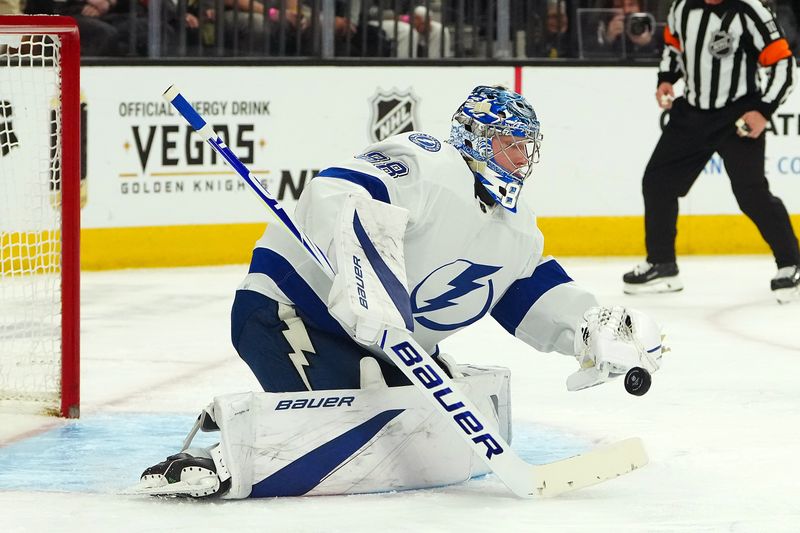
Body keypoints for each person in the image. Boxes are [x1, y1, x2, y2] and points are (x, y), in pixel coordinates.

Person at [135, 86, 665, 499]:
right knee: (349, 429)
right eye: (511, 146)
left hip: (382, 343)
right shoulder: (427, 163)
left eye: (527, 150)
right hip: (291, 311)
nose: (522, 162)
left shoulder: (517, 228)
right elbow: (336, 194)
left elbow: (529, 291)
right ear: (477, 139)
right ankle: (217, 461)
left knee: (413, 429)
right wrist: (369, 283)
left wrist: (593, 330)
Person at [622, 0, 800, 303]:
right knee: (657, 182)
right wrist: (666, 78)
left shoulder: (749, 10)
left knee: (752, 194)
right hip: (691, 114)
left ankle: (791, 262)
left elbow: (782, 63)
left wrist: (764, 109)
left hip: (738, 116)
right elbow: (674, 47)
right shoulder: (682, 7)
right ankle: (663, 263)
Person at [588, 0, 658, 58]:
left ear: (640, 7)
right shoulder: (600, 29)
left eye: (632, 4)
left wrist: (647, 43)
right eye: (618, 6)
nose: (626, 10)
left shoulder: (651, 27)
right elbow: (591, 58)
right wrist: (608, 39)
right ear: (610, 10)